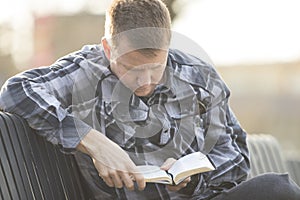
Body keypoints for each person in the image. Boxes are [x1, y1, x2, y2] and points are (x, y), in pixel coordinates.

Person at [0, 0, 299, 199]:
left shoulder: (197, 75)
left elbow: (236, 155)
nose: (145, 81)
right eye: (130, 69)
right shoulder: (85, 72)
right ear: (107, 48)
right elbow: (17, 91)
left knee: (278, 188)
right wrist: (94, 142)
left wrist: (192, 175)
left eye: (156, 67)